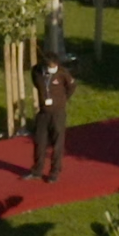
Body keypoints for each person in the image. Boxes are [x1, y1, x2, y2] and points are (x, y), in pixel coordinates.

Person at [28, 53, 74, 182]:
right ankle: (37, 170)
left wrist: (62, 100)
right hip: (43, 112)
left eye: (55, 66)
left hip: (58, 113)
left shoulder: (62, 73)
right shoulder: (37, 71)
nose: (53, 68)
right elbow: (37, 83)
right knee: (39, 141)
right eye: (50, 66)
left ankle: (54, 172)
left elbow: (71, 86)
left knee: (57, 143)